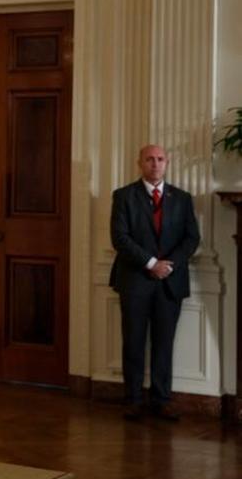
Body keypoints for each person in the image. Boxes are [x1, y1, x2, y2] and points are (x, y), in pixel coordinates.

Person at [109, 144, 200, 421]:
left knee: (164, 343)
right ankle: (133, 399)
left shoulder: (182, 199)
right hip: (135, 279)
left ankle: (162, 399)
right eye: (149, 159)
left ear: (167, 163)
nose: (155, 164)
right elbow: (120, 238)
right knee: (133, 341)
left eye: (160, 159)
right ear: (140, 163)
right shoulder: (124, 196)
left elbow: (191, 238)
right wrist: (151, 264)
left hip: (170, 282)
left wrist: (168, 265)